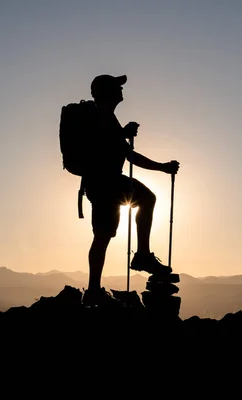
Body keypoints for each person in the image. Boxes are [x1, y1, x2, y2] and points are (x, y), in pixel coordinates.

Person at [81, 73, 180, 306]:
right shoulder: (100, 116)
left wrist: (161, 167)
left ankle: (93, 290)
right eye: (117, 86)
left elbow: (126, 153)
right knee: (146, 198)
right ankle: (142, 256)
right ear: (108, 92)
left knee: (102, 236)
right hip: (105, 182)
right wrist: (123, 134)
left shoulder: (106, 116)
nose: (122, 90)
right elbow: (105, 147)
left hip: (100, 184)